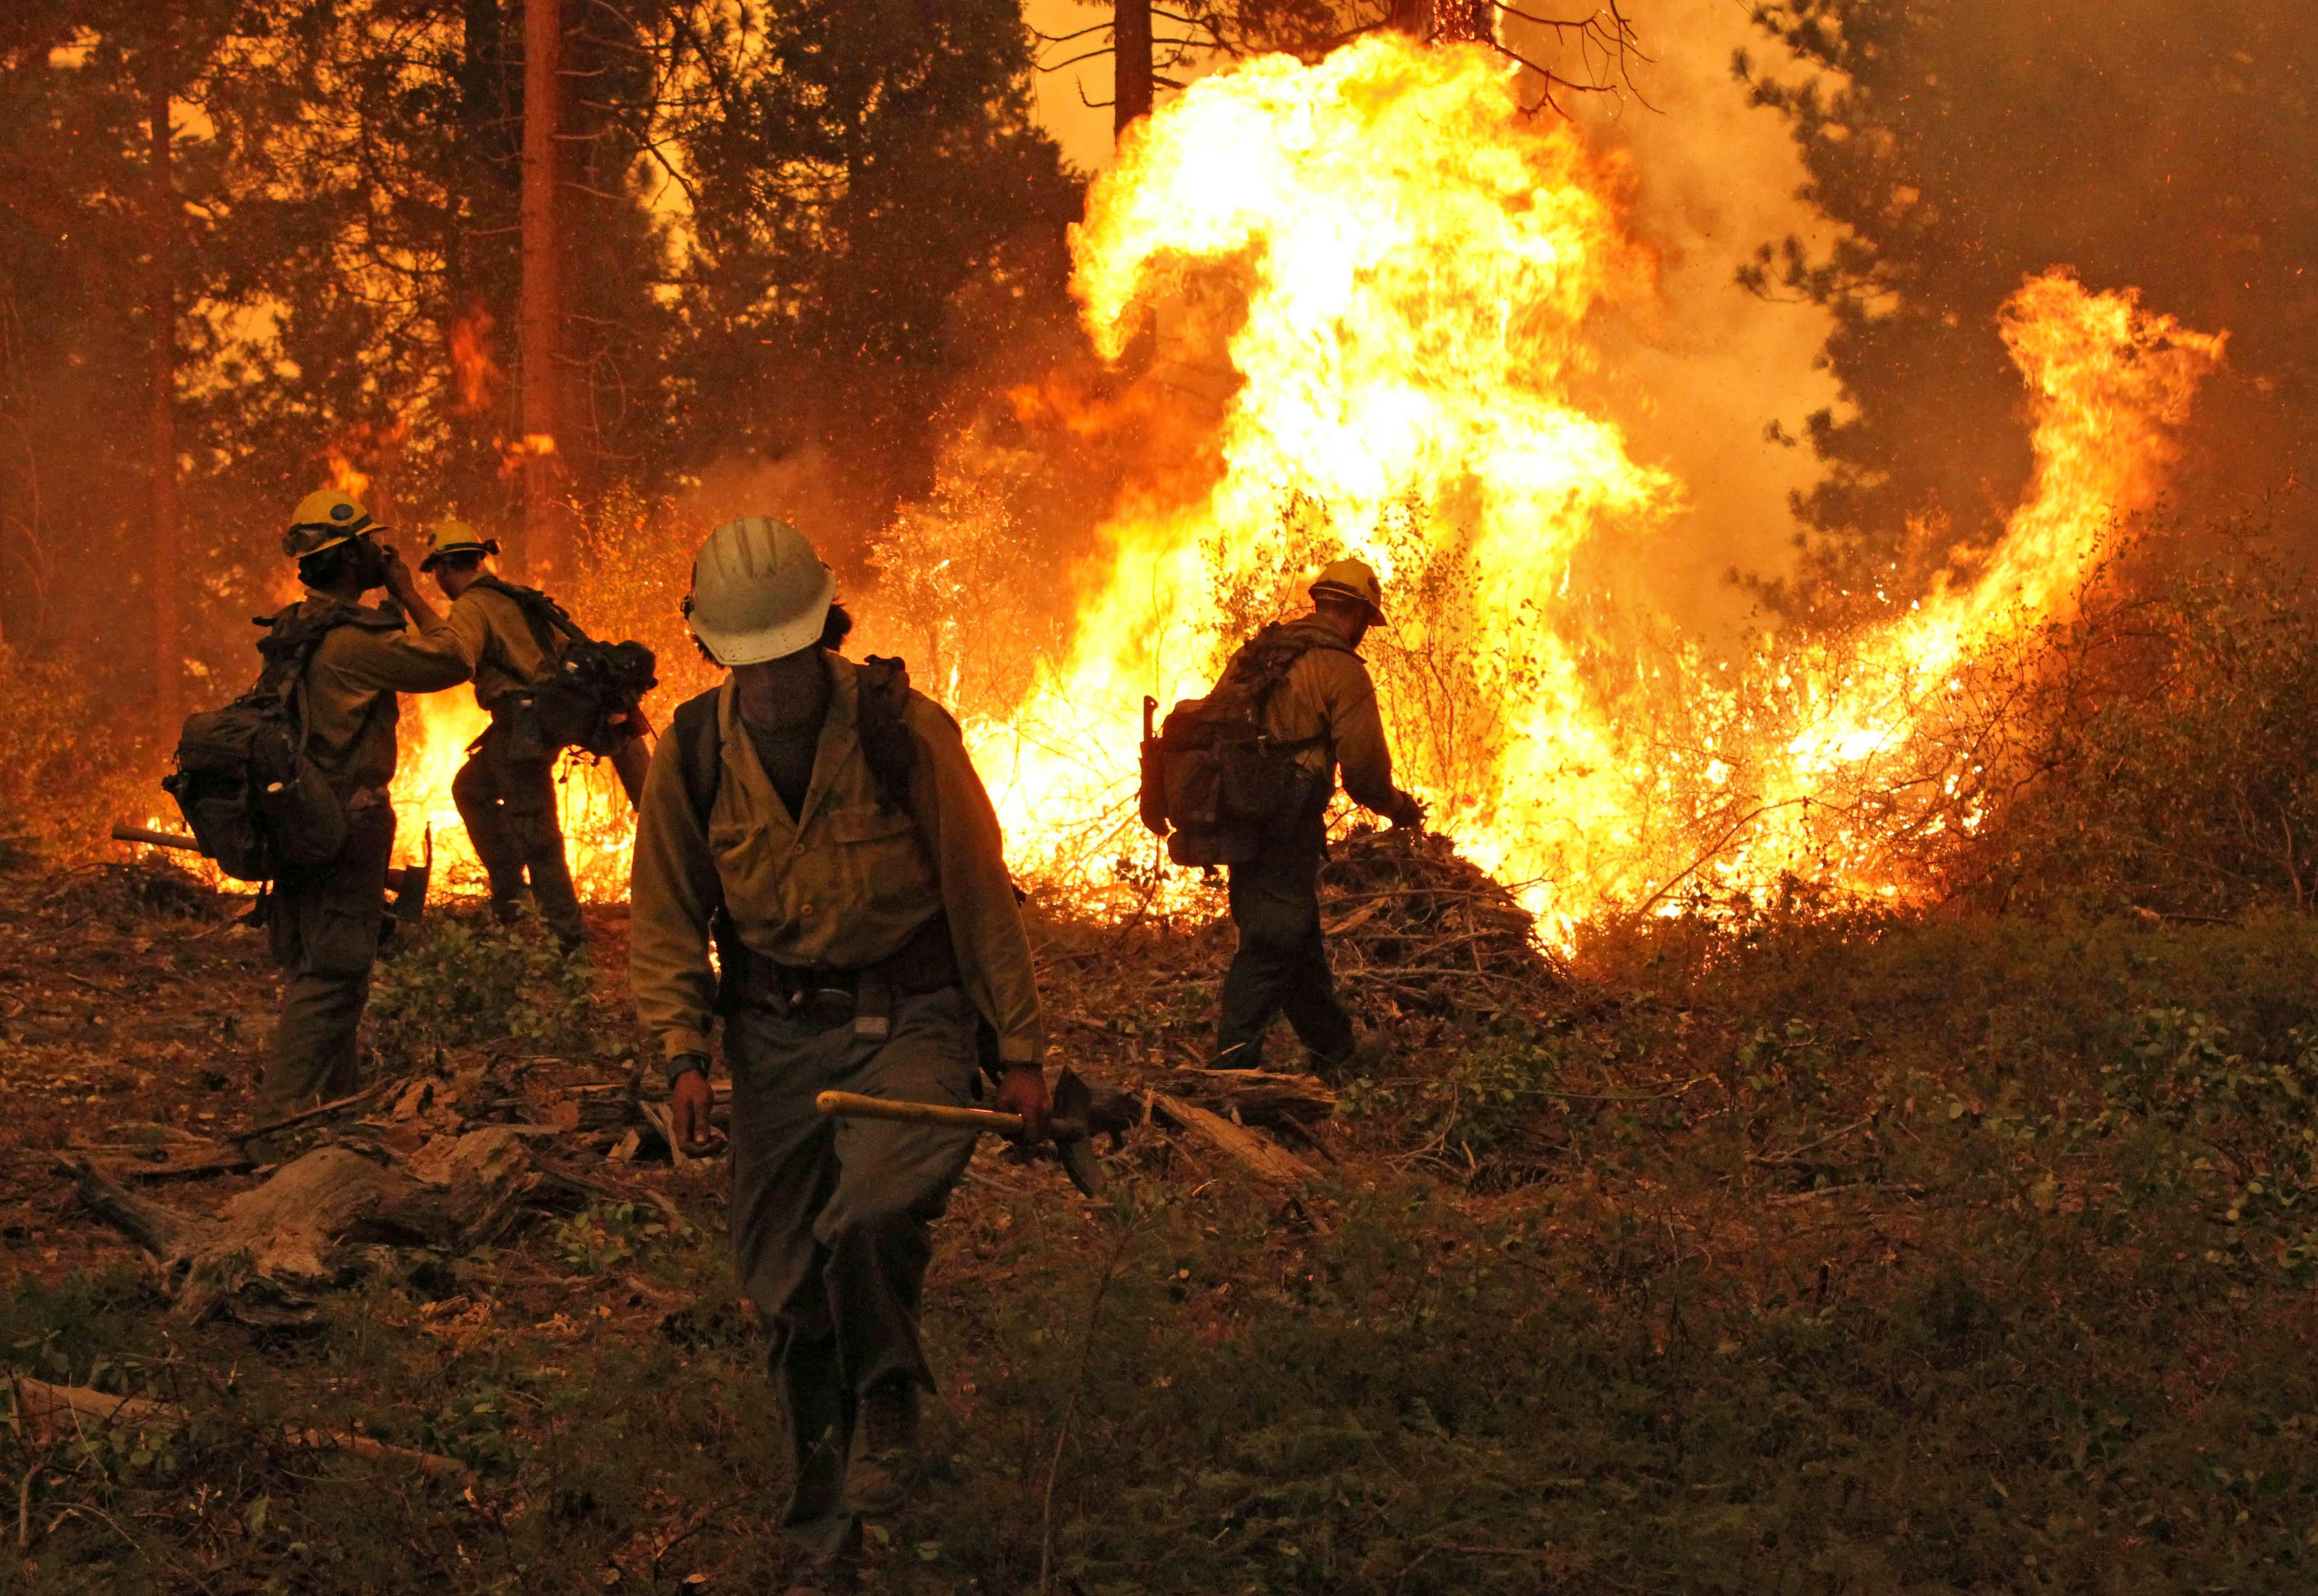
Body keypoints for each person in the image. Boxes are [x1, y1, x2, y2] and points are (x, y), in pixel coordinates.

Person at [629, 514, 1049, 1561]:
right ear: (711, 648)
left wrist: (1025, 1053)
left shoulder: (903, 733)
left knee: (874, 1209)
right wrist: (685, 1054)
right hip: (772, 1036)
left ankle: (888, 1394)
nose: (771, 681)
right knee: (783, 1290)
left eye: (790, 655)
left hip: (912, 1016)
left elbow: (979, 893)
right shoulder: (687, 753)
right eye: (748, 660)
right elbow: (668, 917)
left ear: (827, 633)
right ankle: (825, 1534)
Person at [264, 491, 471, 1102]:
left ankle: (334, 1107)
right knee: (334, 974)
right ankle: (275, 1123)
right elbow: (454, 658)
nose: (380, 552)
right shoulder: (351, 640)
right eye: (370, 545)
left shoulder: (297, 625)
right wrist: (407, 590)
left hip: (304, 816)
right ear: (352, 556)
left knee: (331, 966)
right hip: (345, 822)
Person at [1213, 556, 1423, 1075]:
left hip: (1236, 815)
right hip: (1285, 822)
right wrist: (1398, 808)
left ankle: (1335, 1051)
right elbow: (1365, 774)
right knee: (1271, 940)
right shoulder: (1340, 669)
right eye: (1366, 626)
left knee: (1294, 934)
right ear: (1355, 615)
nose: (1364, 636)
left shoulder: (1257, 653)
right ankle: (1231, 1068)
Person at [420, 520, 590, 950]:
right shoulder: (517, 596)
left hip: (523, 726)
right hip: (541, 718)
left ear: (442, 568)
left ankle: (567, 941)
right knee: (471, 788)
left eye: (436, 572)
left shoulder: (473, 607)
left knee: (537, 831)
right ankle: (512, 898)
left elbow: (455, 657)